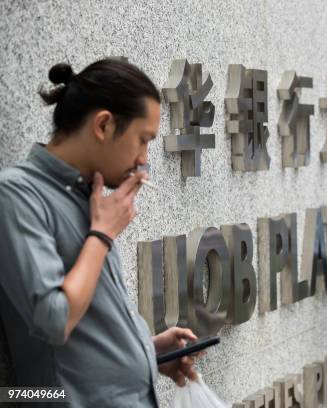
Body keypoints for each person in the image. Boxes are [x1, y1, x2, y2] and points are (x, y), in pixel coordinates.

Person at [0, 59, 201, 406]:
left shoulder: (85, 196)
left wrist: (145, 352)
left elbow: (83, 342)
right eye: (142, 140)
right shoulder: (17, 195)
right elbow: (55, 319)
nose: (143, 160)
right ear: (104, 125)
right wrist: (102, 235)